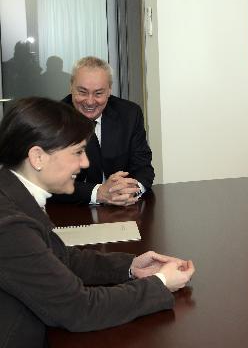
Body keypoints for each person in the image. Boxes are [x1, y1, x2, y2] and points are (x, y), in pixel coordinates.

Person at [0, 98, 195, 348]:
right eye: (78, 152)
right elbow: (80, 309)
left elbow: (61, 258)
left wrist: (131, 267)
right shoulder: (10, 225)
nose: (85, 163)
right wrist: (161, 284)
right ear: (37, 157)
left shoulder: (13, 193)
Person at [50, 56, 154, 206]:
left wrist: (131, 189)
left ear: (109, 90)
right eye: (82, 92)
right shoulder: (53, 120)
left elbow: (143, 167)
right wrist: (98, 193)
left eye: (98, 93)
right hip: (74, 209)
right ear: (71, 87)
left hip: (123, 207)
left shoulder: (130, 114)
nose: (90, 101)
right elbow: (51, 182)